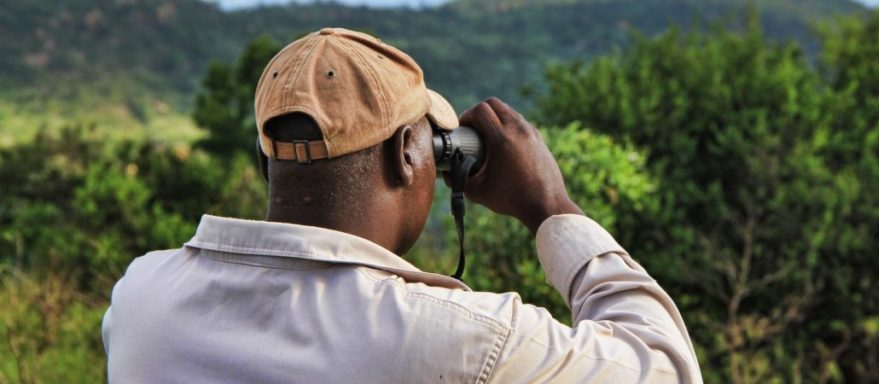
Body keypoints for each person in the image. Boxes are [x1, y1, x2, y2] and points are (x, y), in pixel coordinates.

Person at [102, 27, 702, 383]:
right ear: (408, 156)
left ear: (267, 162)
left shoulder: (141, 299)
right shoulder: (460, 340)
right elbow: (666, 370)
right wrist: (551, 206)